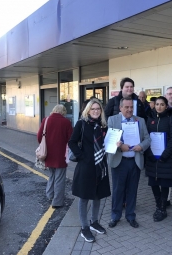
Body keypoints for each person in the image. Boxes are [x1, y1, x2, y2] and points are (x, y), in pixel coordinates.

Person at [68, 99, 110, 243]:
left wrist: (115, 144)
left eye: (98, 109)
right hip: (86, 166)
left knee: (98, 195)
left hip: (101, 165)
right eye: (93, 109)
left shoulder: (103, 125)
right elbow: (72, 142)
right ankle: (85, 228)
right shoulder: (82, 124)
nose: (96, 111)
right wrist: (81, 156)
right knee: (84, 197)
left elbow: (107, 143)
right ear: (88, 110)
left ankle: (94, 222)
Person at [107, 97, 151, 228]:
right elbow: (109, 141)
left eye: (131, 107)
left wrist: (141, 146)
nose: (129, 110)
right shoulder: (112, 120)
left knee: (132, 190)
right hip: (119, 161)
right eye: (126, 107)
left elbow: (147, 139)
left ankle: (131, 216)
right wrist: (120, 147)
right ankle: (115, 216)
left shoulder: (140, 120)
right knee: (117, 190)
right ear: (120, 108)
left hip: (134, 160)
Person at [145, 96, 172, 221]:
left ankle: (163, 208)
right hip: (151, 157)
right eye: (157, 104)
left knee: (164, 182)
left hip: (166, 158)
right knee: (153, 182)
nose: (159, 107)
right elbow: (146, 137)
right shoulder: (149, 119)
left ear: (166, 106)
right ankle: (158, 205)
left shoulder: (171, 119)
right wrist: (149, 153)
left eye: (162, 104)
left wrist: (165, 155)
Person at [37, 104, 73, 209]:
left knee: (52, 175)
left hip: (48, 153)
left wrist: (45, 145)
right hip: (61, 154)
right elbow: (70, 138)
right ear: (63, 112)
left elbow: (39, 136)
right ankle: (57, 201)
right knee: (60, 178)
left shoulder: (46, 120)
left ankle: (50, 195)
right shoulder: (66, 122)